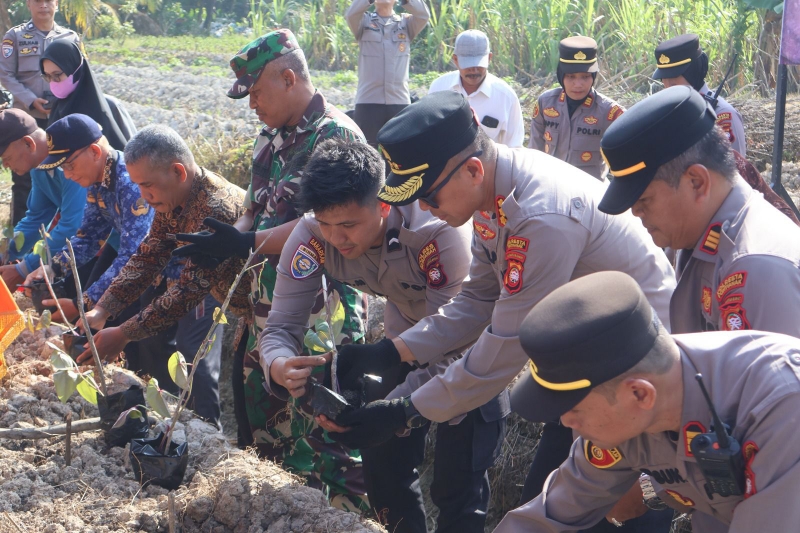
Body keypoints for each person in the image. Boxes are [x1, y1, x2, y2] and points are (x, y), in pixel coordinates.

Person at [313, 92, 675, 531]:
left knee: (603, 510)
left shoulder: (539, 216)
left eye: (428, 195)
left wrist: (405, 412)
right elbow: (477, 301)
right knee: (558, 506)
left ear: (472, 169)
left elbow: (504, 348)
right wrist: (393, 352)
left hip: (635, 367)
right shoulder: (495, 198)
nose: (424, 208)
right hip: (590, 358)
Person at [259, 138, 508, 533]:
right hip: (397, 346)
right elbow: (280, 327)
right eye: (326, 224)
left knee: (457, 493)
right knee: (386, 478)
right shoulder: (310, 237)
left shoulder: (435, 234)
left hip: (471, 351)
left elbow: (460, 340)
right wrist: (278, 364)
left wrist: (397, 409)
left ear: (383, 205)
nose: (336, 238)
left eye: (349, 225)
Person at [171, 29, 369, 509]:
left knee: (331, 437)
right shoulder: (269, 139)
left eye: (257, 92)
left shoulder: (337, 137)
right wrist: (227, 240)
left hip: (323, 314)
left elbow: (317, 227)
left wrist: (246, 241)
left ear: (288, 77)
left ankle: (342, 518)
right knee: (270, 436)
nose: (253, 103)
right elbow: (254, 209)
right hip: (266, 311)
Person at [496, 270, 800, 533]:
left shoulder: (781, 405)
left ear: (639, 394)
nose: (565, 422)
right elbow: (549, 515)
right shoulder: (630, 411)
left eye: (574, 408)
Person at [74, 125, 249, 428]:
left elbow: (187, 292)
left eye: (148, 185)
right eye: (139, 186)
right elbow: (150, 254)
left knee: (202, 364)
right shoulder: (172, 197)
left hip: (267, 308)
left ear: (178, 172)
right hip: (245, 307)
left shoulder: (214, 208)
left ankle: (211, 433)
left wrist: (124, 333)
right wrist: (103, 308)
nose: (144, 195)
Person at [600, 86, 800, 337]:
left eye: (643, 200)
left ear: (696, 182)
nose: (636, 213)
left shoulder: (757, 269)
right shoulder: (699, 235)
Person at [24, 114, 152, 335]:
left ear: (94, 152)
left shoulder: (130, 182)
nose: (68, 174)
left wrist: (81, 304)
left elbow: (133, 255)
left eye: (70, 165)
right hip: (141, 261)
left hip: (179, 264)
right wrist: (53, 268)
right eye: (62, 168)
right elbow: (89, 235)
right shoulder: (97, 179)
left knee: (157, 344)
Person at [0, 0, 79, 225]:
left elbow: (78, 75)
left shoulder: (70, 37)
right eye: (37, 1)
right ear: (28, 4)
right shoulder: (14, 37)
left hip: (60, 118)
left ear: (57, 3)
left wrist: (62, 101)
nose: (43, 5)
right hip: (26, 121)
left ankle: (61, 229)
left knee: (65, 174)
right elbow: (5, 74)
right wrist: (31, 100)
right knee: (24, 179)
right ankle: (19, 234)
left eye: (48, 0)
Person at [0, 108, 85, 290]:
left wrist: (23, 268)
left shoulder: (70, 162)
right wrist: (4, 251)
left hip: (113, 241)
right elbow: (36, 218)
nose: (6, 166)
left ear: (29, 143)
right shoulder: (40, 169)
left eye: (7, 158)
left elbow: (73, 225)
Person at [528, 36, 623, 180]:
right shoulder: (545, 103)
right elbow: (534, 152)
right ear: (561, 76)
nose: (578, 84)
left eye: (585, 77)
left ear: (593, 77)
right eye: (571, 76)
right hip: (550, 186)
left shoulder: (608, 112)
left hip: (589, 193)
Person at [345, 0, 430, 146]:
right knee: (366, 153)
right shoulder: (363, 22)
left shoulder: (406, 23)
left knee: (399, 156)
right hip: (368, 102)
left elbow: (423, 15)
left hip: (399, 102)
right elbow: (351, 14)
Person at [652, 34, 746, 156]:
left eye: (674, 76)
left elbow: (734, 170)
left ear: (693, 72)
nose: (668, 83)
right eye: (664, 77)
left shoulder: (722, 114)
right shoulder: (667, 114)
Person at [428, 30, 524, 147]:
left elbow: (514, 147)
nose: (473, 70)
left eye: (479, 64)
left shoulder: (506, 98)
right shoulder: (438, 88)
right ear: (455, 60)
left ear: (489, 58)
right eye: (467, 65)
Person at [40, 40, 136, 149]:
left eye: (57, 75)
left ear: (76, 70)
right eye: (47, 76)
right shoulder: (57, 109)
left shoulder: (110, 106)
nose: (53, 82)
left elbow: (134, 150)